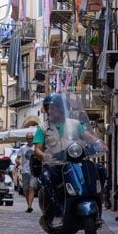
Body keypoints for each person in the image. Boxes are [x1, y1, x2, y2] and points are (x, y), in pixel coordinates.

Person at [33, 93, 102, 222]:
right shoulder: (42, 128)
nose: (50, 111)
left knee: (99, 170)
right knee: (46, 179)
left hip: (75, 163)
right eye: (48, 108)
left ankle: (97, 203)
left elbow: (87, 136)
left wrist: (99, 143)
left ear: (61, 108)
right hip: (55, 165)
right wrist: (44, 155)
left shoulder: (75, 124)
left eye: (53, 108)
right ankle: (55, 210)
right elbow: (37, 149)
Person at [19, 130, 37, 213]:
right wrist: (17, 161)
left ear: (33, 139)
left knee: (31, 187)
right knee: (25, 189)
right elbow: (17, 158)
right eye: (28, 138)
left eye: (31, 138)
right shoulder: (22, 148)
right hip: (25, 171)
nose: (29, 140)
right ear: (26, 139)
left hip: (33, 171)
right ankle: (28, 204)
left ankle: (30, 206)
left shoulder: (36, 148)